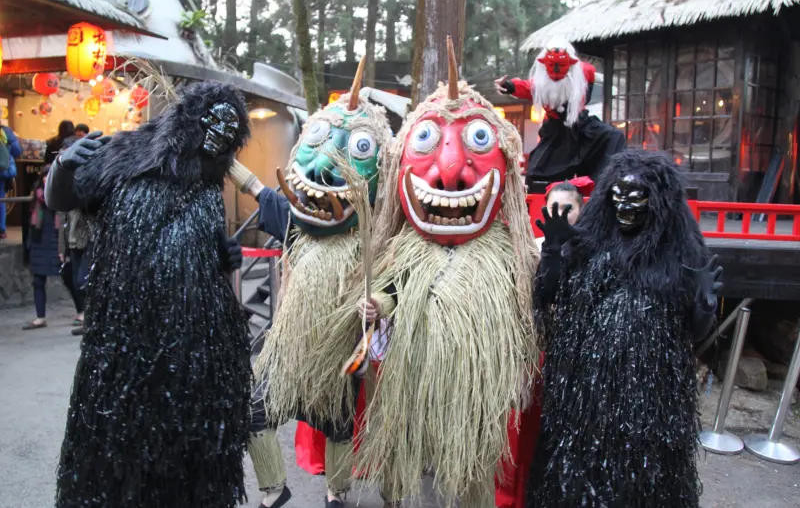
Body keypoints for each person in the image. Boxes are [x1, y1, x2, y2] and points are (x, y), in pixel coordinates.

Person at [344, 37, 538, 507]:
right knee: (408, 454)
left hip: (473, 384)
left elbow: (528, 312)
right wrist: (378, 304)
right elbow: (391, 288)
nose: (450, 171)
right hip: (415, 373)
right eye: (427, 142)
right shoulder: (405, 247)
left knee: (470, 463)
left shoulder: (508, 253)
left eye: (477, 141)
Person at [45, 82, 250, 508]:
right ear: (189, 118)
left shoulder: (210, 187)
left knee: (183, 462)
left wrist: (224, 254)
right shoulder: (127, 157)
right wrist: (63, 166)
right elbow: (62, 199)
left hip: (194, 354)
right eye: (215, 122)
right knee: (117, 457)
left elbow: (203, 250)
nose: (220, 136)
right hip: (123, 347)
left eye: (231, 132)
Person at [528, 150, 722, 508]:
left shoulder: (681, 251)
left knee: (641, 478)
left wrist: (705, 305)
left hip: (651, 401)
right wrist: (553, 253)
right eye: (618, 198)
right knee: (579, 475)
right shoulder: (589, 240)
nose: (625, 208)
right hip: (584, 397)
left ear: (658, 202)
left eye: (636, 199)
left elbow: (696, 335)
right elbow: (548, 295)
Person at [249, 60, 393, 508]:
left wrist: (378, 304)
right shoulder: (296, 225)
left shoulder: (375, 239)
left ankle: (337, 491)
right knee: (252, 411)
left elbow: (393, 285)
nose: (325, 167)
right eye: (316, 140)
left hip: (337, 351)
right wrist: (219, 157)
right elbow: (255, 187)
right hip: (289, 349)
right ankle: (274, 488)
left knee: (336, 425)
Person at [494, 37, 625, 190]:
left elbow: (587, 83)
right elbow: (525, 86)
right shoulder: (540, 84)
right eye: (552, 66)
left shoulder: (585, 72)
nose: (556, 71)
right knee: (537, 173)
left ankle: (602, 187)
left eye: (561, 66)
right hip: (556, 131)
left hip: (582, 125)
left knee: (613, 137)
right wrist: (508, 86)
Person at [22, 166, 64, 329]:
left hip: (56, 239)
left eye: (49, 175)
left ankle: (82, 312)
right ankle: (40, 317)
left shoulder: (61, 195)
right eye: (44, 176)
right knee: (38, 280)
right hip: (39, 240)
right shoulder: (37, 196)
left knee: (69, 278)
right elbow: (29, 223)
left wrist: (63, 247)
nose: (46, 178)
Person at [534, 176, 594, 251]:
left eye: (567, 209)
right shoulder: (535, 247)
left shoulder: (592, 246)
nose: (559, 214)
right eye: (553, 208)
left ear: (581, 210)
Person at [57, 206, 90, 335]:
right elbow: (63, 228)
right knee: (76, 282)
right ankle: (85, 315)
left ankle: (89, 316)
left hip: (85, 245)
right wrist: (61, 249)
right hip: (72, 246)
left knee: (82, 281)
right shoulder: (66, 206)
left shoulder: (84, 204)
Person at [0, 125, 22, 240]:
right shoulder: (5, 131)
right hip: (1, 170)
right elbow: (17, 150)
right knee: (1, 199)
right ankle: (1, 230)